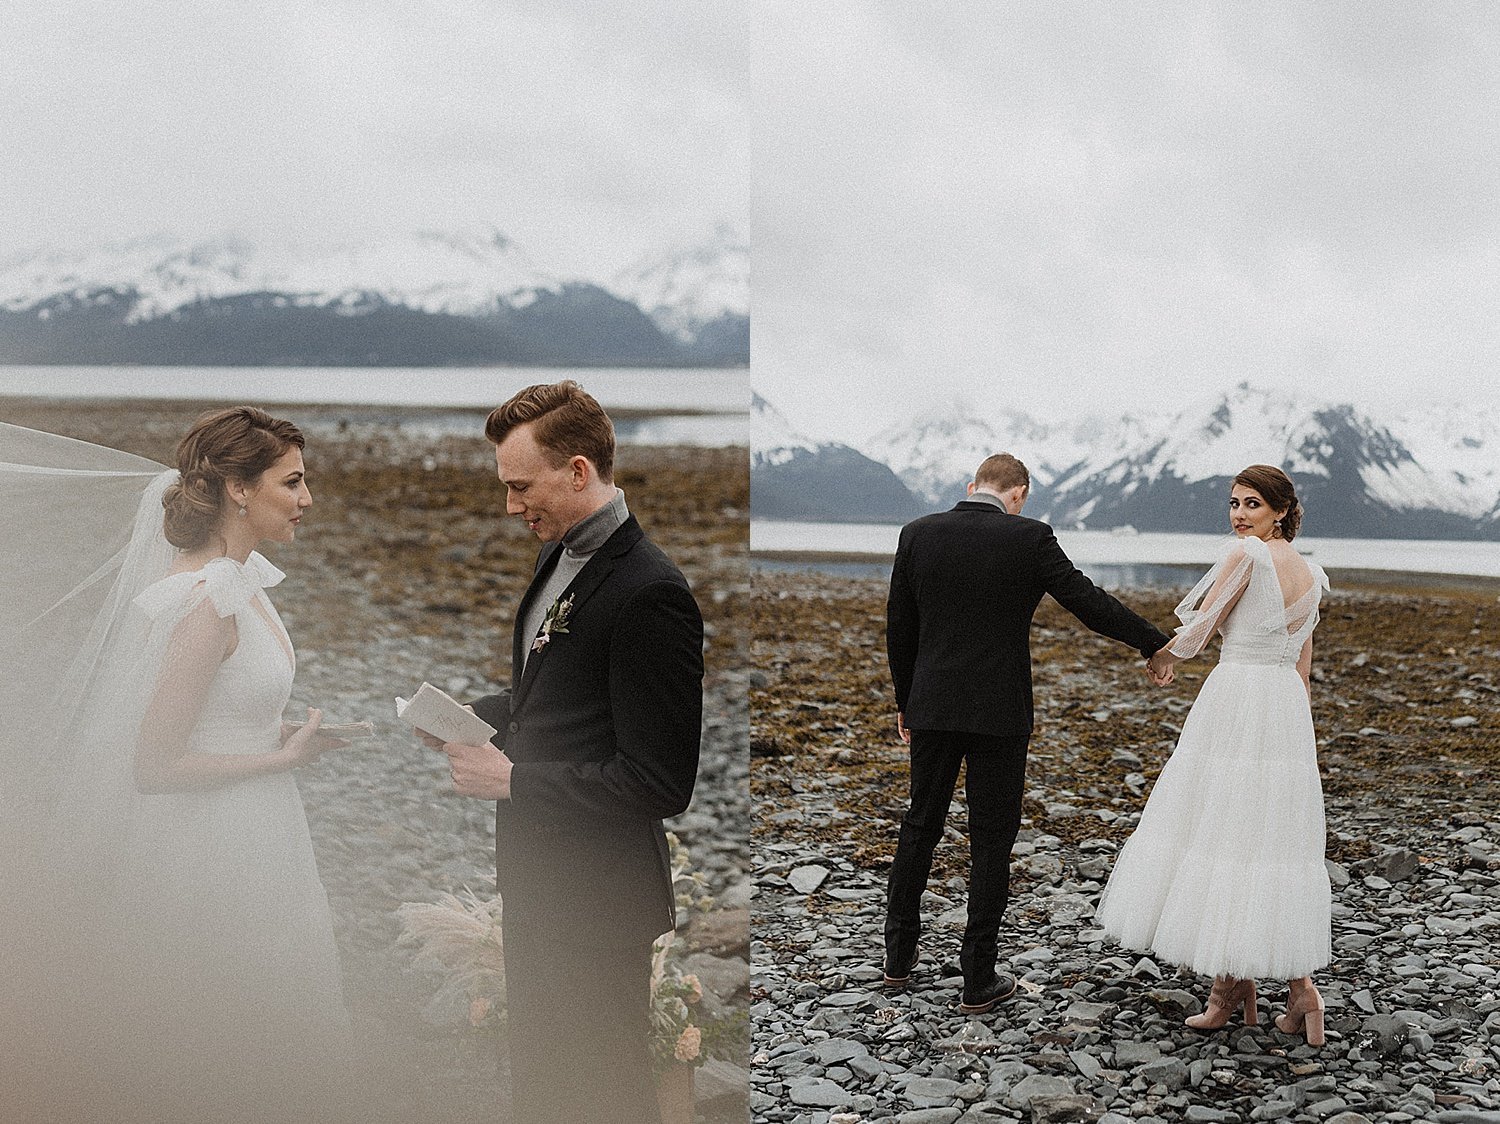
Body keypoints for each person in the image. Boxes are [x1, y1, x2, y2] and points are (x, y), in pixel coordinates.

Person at [0, 409, 352, 1124]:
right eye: (293, 481)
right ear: (238, 490)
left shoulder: (241, 582)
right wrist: (275, 756)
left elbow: (216, 711)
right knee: (218, 1035)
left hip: (259, 828)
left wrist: (278, 733)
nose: (307, 498)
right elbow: (155, 766)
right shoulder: (202, 602)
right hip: (210, 846)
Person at [422, 380, 703, 1124]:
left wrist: (514, 781)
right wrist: (470, 717)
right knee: (544, 1091)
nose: (511, 506)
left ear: (578, 471)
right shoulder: (560, 559)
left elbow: (660, 780)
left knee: (603, 1093)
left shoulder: (652, 593)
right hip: (539, 883)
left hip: (599, 903)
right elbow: (557, 696)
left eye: (520, 487)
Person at [884, 452, 1173, 1012]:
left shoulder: (917, 533)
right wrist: (1150, 640)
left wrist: (906, 701)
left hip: (934, 706)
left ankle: (898, 960)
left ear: (972, 486)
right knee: (992, 840)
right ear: (1018, 494)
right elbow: (1088, 602)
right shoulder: (1029, 537)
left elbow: (901, 624)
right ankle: (977, 978)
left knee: (921, 823)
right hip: (999, 711)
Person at [1096, 464, 1331, 1045]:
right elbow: (1302, 667)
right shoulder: (1312, 573)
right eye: (1234, 503)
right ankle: (1290, 991)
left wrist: (1162, 655)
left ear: (1280, 511)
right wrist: (1291, 727)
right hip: (1282, 709)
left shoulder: (1245, 557)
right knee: (1263, 838)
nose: (1239, 515)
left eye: (1252, 504)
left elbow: (1202, 629)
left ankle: (1232, 990)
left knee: (1223, 832)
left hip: (1238, 698)